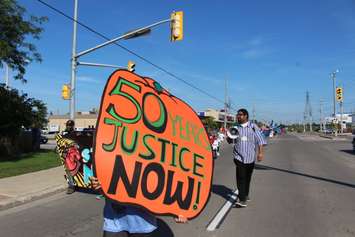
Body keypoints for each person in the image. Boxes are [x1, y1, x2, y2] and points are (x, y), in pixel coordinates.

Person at [90, 176, 187, 237]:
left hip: (143, 223)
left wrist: (177, 210)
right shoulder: (109, 151)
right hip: (114, 221)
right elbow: (103, 189)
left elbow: (166, 183)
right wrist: (98, 186)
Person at [227, 108, 267, 208]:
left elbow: (260, 140)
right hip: (238, 157)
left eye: (240, 114)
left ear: (246, 116)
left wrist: (260, 153)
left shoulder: (253, 127)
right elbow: (231, 141)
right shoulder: (236, 128)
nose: (238, 116)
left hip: (250, 158)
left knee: (247, 178)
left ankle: (245, 194)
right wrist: (229, 137)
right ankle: (242, 199)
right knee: (241, 177)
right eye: (237, 114)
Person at [62, 119, 77, 194]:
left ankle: (77, 183)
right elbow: (61, 143)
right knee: (68, 170)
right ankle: (71, 186)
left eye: (70, 125)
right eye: (67, 125)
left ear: (73, 126)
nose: (69, 127)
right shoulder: (63, 134)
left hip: (74, 154)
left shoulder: (75, 134)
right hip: (66, 155)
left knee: (76, 170)